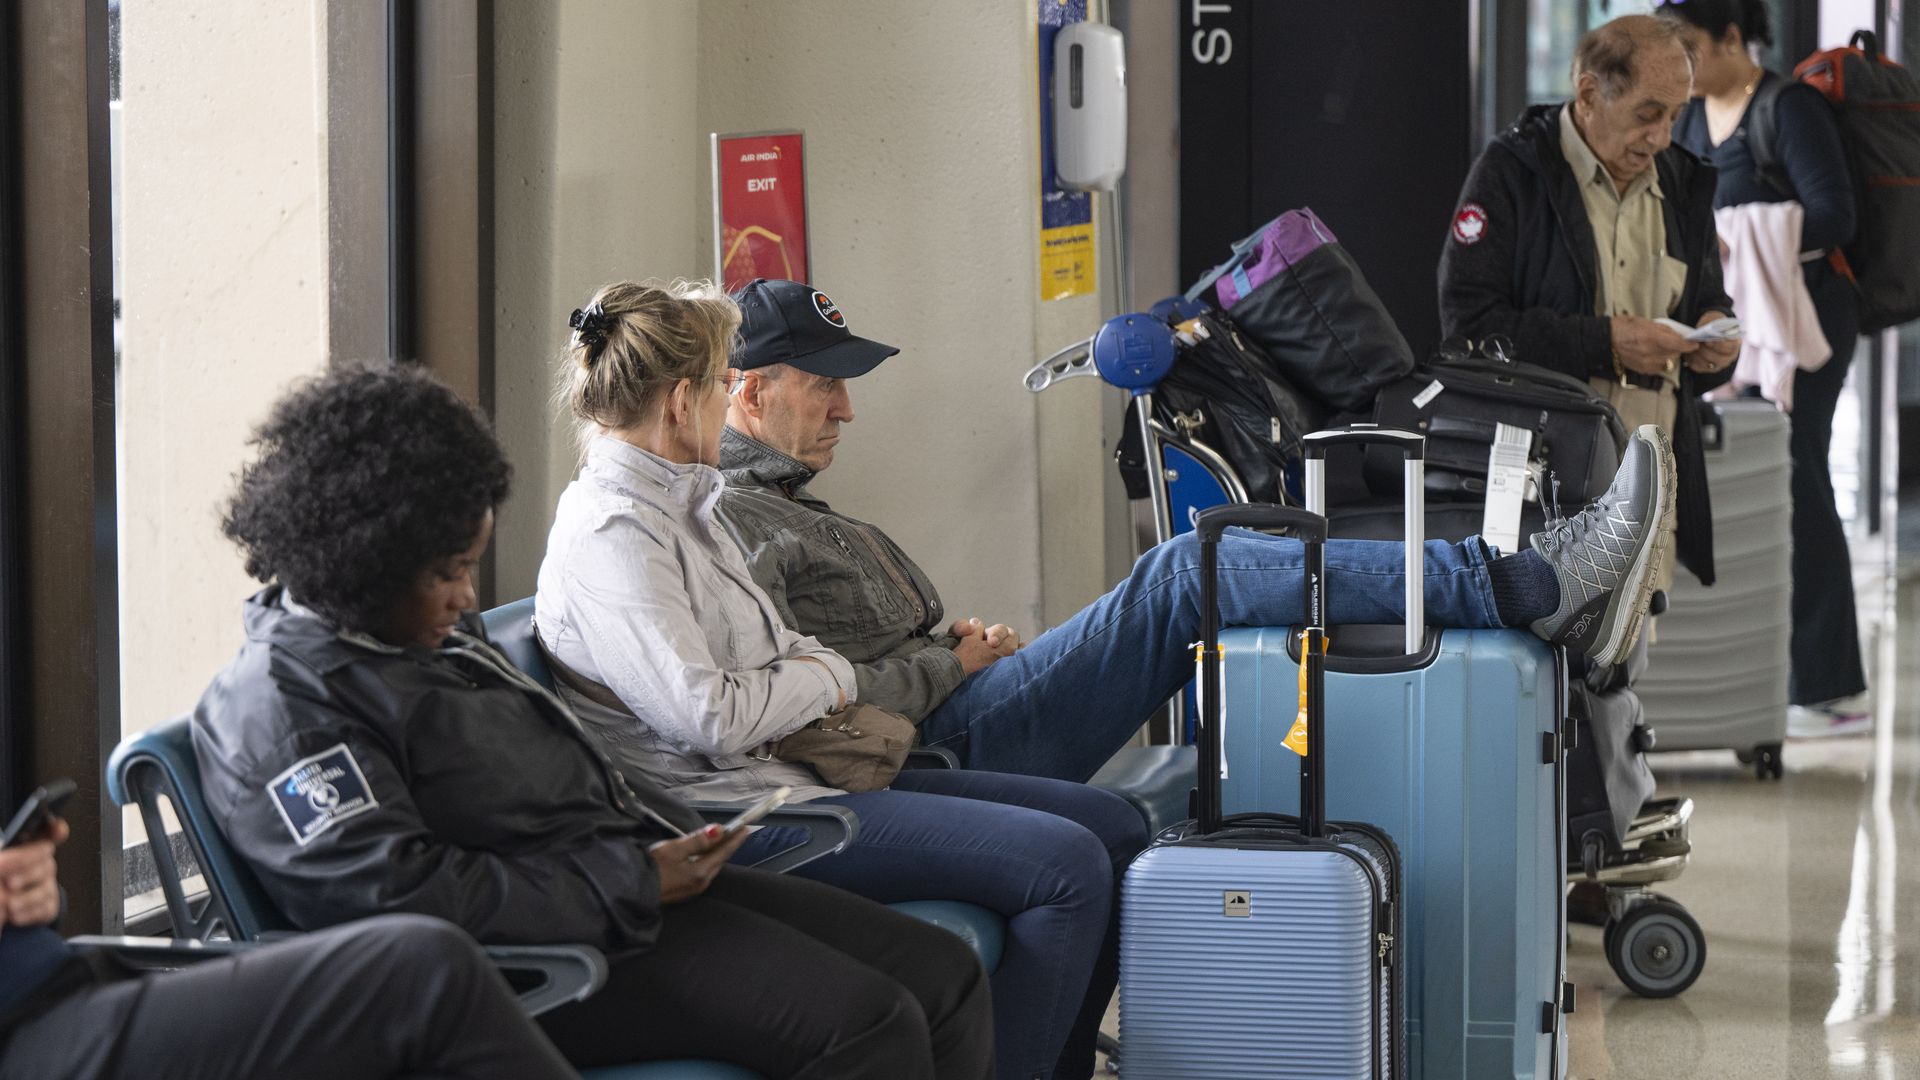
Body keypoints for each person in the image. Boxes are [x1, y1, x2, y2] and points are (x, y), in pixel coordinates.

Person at [192, 361, 993, 1080]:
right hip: (525, 963)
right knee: (865, 1025)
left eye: (468, 566)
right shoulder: (282, 714)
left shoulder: (409, 637)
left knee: (940, 974)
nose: (466, 599)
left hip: (619, 893)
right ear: (360, 558)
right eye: (447, 574)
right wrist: (633, 878)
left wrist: (660, 850)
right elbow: (396, 901)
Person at [710, 277, 1675, 785]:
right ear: (749, 393)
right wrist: (943, 669)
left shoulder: (786, 499)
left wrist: (950, 644)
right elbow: (795, 700)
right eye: (823, 385)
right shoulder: (738, 522)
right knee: (1186, 570)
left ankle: (1533, 587)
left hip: (958, 702)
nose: (845, 408)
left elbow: (849, 646)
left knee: (1206, 555)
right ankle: (1528, 586)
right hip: (932, 746)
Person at [534, 280, 1144, 1080]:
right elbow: (710, 716)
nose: (730, 404)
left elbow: (777, 654)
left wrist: (807, 669)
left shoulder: (690, 507)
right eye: (724, 387)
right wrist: (824, 675)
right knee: (1066, 865)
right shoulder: (613, 534)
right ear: (682, 402)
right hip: (732, 814)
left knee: (1116, 827)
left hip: (785, 775)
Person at [1437, 14, 1740, 595]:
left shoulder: (1682, 183)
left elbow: (1707, 301)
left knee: (1628, 674)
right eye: (1649, 113)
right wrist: (1605, 343)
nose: (1663, 138)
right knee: (1545, 671)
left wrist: (1715, 342)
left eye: (1677, 115)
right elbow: (1468, 329)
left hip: (1651, 488)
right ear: (1589, 93)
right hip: (1540, 493)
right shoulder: (1512, 174)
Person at [1660, 0, 1869, 736]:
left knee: (1799, 474)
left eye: (1688, 47)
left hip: (1805, 322)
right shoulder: (1686, 119)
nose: (1679, 65)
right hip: (1729, 324)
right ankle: (1756, 662)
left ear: (1729, 37)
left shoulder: (1789, 108)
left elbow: (1834, 215)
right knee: (1739, 478)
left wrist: (1734, 235)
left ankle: (1826, 682)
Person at [0, 819, 576, 1079]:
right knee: (421, 968)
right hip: (33, 1029)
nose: (464, 599)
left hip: (70, 976)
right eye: (448, 577)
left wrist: (31, 896)